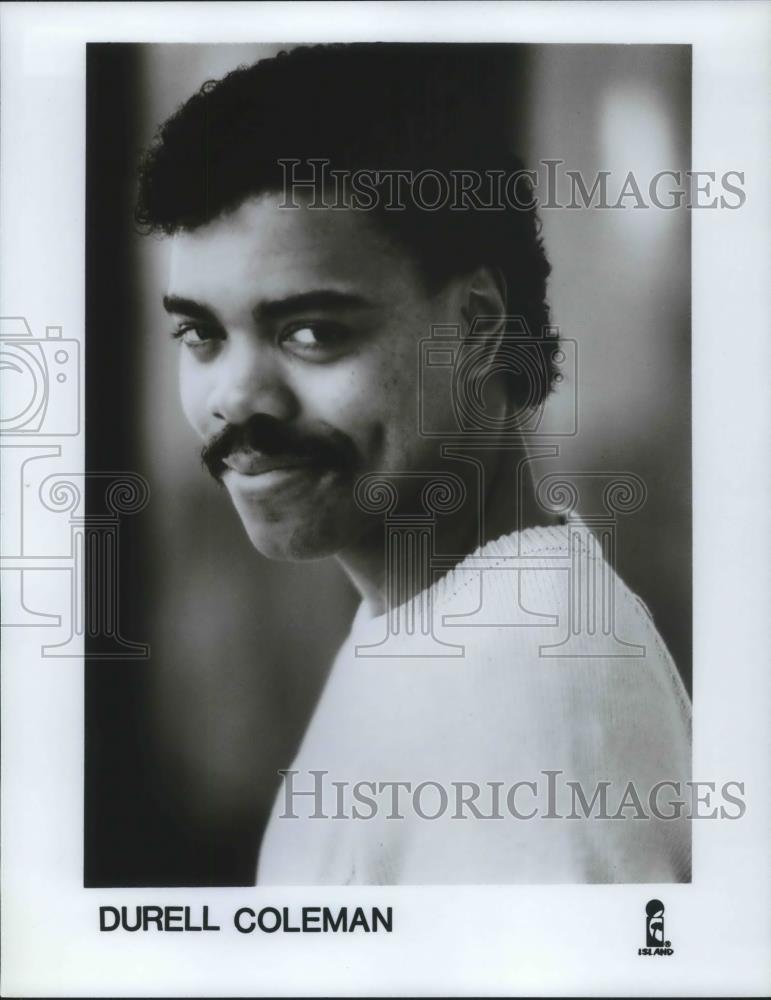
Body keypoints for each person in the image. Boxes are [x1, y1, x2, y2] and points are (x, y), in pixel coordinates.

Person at [136, 43, 691, 884]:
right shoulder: (447, 626)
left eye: (312, 331)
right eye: (201, 334)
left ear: (475, 322)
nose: (237, 398)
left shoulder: (519, 681)